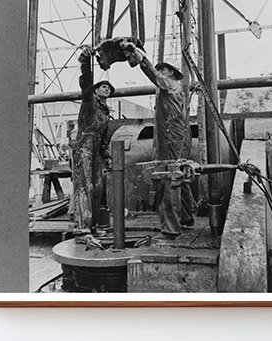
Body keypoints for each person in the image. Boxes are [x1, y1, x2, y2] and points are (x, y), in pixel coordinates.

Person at [122, 42, 195, 237]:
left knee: (169, 178)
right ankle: (186, 218)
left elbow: (154, 75)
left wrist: (142, 59)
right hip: (177, 137)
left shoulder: (170, 85)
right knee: (181, 176)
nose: (160, 72)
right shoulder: (175, 88)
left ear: (170, 73)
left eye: (163, 69)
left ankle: (171, 228)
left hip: (172, 138)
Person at [71, 45, 115, 235]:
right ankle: (82, 228)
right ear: (96, 91)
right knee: (84, 186)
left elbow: (105, 139)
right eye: (103, 86)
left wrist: (107, 156)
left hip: (96, 151)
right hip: (84, 148)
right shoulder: (89, 102)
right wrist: (86, 62)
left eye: (109, 88)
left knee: (97, 187)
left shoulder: (105, 113)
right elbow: (86, 84)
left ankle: (94, 225)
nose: (106, 89)